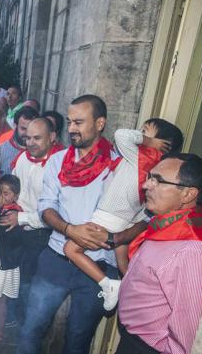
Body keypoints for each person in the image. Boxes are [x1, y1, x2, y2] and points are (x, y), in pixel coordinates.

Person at [17, 95, 120, 354]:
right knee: (32, 327)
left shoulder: (117, 165)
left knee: (77, 340)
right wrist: (69, 230)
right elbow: (46, 207)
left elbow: (135, 216)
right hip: (56, 257)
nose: (72, 128)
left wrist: (109, 237)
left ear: (100, 123)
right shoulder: (57, 161)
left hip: (98, 266)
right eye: (71, 122)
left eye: (79, 122)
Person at [63, 118, 183, 310]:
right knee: (122, 264)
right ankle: (134, 293)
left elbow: (121, 135)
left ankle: (107, 284)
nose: (139, 134)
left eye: (144, 131)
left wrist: (148, 141)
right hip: (125, 220)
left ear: (160, 144)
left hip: (110, 215)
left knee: (70, 249)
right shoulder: (153, 169)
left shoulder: (138, 157)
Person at [117, 154, 202, 354]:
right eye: (150, 177)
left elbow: (190, 329)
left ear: (188, 194)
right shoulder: (167, 226)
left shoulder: (194, 249)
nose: (146, 185)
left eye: (158, 180)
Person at [4, 118, 62, 325]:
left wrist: (21, 218)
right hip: (18, 228)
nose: (31, 143)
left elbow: (57, 212)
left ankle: (29, 327)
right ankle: (14, 320)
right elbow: (15, 193)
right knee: (15, 277)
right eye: (27, 138)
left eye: (37, 138)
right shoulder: (21, 159)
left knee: (32, 285)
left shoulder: (59, 165)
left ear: (52, 137)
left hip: (43, 235)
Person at [0, 175, 23, 350]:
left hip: (3, 263)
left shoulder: (11, 213)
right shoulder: (5, 208)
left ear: (15, 196)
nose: (1, 197)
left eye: (6, 193)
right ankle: (1, 325)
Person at [0, 107, 39, 175]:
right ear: (15, 126)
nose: (27, 133)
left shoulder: (43, 151)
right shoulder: (0, 151)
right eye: (23, 129)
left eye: (31, 129)